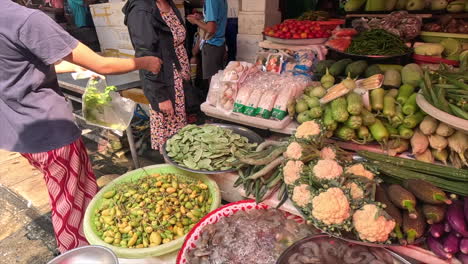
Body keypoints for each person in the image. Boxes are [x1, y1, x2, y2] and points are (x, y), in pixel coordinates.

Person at [0, 0, 162, 253]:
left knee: (82, 190)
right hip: (50, 133)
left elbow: (22, 62)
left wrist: (74, 64)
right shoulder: (27, 19)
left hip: (17, 131)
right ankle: (77, 254)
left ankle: (96, 242)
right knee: (67, 204)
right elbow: (103, 65)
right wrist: (145, 62)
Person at [124, 0, 191, 152]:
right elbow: (145, 56)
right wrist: (160, 96)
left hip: (178, 78)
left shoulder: (168, 3)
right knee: (171, 137)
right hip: (163, 82)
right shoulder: (141, 9)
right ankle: (170, 170)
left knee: (182, 136)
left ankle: (181, 168)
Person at [187, 0, 227, 82]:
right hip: (220, 44)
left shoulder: (210, 1)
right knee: (217, 81)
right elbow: (216, 20)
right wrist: (202, 17)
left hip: (212, 45)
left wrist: (195, 21)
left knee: (212, 83)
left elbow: (210, 29)